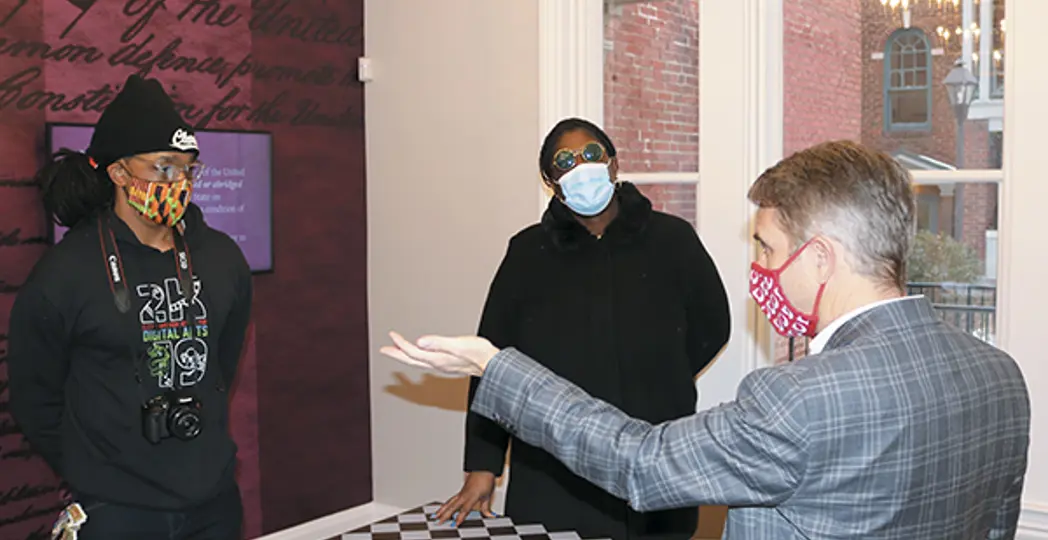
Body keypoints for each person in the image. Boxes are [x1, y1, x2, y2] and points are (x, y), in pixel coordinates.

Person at [381, 140, 1031, 539]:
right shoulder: (1000, 376)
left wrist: (495, 366)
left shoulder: (795, 400)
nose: (759, 267)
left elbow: (639, 463)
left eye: (767, 247)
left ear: (820, 258)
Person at [436, 117, 730, 540]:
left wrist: (662, 376)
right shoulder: (527, 253)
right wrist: (483, 467)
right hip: (551, 465)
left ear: (613, 163)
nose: (581, 166)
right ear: (551, 181)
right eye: (565, 161)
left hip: (653, 451)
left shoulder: (673, 239)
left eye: (591, 154)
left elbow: (713, 324)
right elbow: (494, 364)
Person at [8, 74, 252, 540]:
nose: (180, 182)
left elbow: (221, 362)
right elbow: (35, 396)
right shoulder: (65, 273)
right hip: (116, 508)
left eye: (188, 168)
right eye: (164, 167)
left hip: (213, 499)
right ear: (119, 173)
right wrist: (98, 468)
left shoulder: (223, 258)